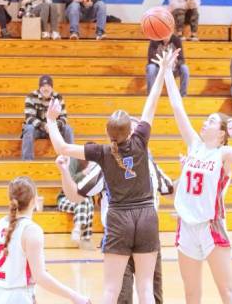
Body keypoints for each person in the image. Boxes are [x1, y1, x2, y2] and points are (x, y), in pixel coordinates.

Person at [46, 49, 177, 304]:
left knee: (110, 290)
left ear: (108, 134)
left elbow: (62, 148)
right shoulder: (141, 142)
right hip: (148, 215)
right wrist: (162, 71)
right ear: (132, 131)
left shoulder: (102, 153)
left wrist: (52, 121)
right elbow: (151, 104)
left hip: (119, 218)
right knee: (147, 289)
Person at [163, 51, 232, 303]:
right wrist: (166, 72)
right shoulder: (194, 145)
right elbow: (176, 107)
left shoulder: (224, 152)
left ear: (221, 133)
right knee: (191, 293)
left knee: (226, 292)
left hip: (211, 226)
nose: (205, 122)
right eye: (206, 119)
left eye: (212, 121)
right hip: (186, 225)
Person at [56, 116, 173, 304]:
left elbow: (170, 191)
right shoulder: (109, 163)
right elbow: (77, 196)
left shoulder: (150, 164)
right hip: (136, 228)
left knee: (148, 292)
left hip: (136, 229)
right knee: (131, 294)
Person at [0, 176, 90, 304]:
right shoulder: (31, 230)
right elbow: (41, 278)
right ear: (34, 200)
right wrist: (74, 296)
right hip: (18, 298)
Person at [21, 75, 75, 162]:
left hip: (54, 129)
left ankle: (72, 161)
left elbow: (64, 118)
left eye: (48, 86)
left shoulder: (58, 97)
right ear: (39, 88)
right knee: (29, 128)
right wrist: (44, 126)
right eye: (43, 86)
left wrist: (52, 126)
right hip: (37, 129)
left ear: (52, 88)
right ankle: (27, 162)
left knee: (68, 129)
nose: (46, 89)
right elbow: (29, 118)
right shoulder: (31, 96)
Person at [146, 33, 190, 97]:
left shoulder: (176, 40)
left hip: (173, 69)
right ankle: (151, 95)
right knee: (151, 67)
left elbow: (182, 60)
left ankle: (182, 94)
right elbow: (151, 59)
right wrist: (162, 62)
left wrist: (175, 62)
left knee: (184, 68)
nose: (166, 37)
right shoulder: (154, 40)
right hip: (159, 68)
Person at [55, 179, 95, 248]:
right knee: (83, 200)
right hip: (65, 199)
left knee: (88, 203)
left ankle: (78, 230)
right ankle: (84, 237)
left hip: (85, 202)